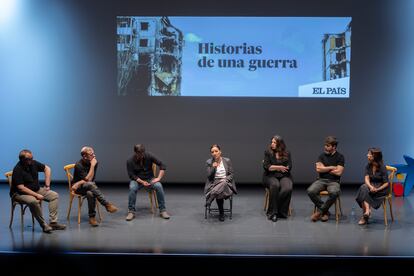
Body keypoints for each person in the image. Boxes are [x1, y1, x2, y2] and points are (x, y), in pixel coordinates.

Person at [9, 149, 66, 233]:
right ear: (22, 160)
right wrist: (36, 195)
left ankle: (53, 223)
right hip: (19, 194)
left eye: (32, 158)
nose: (32, 160)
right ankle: (44, 225)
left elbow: (47, 168)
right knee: (33, 201)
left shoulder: (33, 163)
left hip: (36, 189)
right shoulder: (17, 169)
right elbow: (21, 188)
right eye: (29, 159)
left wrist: (47, 185)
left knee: (54, 195)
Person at [71, 146, 119, 227]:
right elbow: (87, 179)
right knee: (90, 185)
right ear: (84, 156)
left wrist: (79, 182)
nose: (94, 156)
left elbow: (91, 179)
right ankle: (107, 204)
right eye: (91, 154)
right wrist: (92, 166)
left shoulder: (94, 162)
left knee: (90, 193)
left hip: (88, 185)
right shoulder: (78, 165)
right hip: (78, 189)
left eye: (93, 153)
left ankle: (92, 217)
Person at [126, 144, 170, 221]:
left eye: (143, 153)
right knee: (132, 188)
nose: (142, 156)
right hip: (137, 180)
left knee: (159, 186)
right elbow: (132, 175)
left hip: (150, 179)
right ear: (135, 153)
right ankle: (131, 211)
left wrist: (158, 178)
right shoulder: (130, 161)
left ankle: (163, 210)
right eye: (139, 154)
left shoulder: (149, 155)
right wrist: (142, 182)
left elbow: (162, 165)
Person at [307, 136, 345, 222]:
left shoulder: (340, 157)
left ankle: (320, 211)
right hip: (321, 180)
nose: (325, 147)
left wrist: (324, 168)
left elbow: (339, 172)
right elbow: (318, 169)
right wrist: (332, 167)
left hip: (334, 181)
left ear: (334, 147)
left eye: (328, 145)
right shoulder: (321, 156)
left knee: (334, 192)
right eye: (325, 145)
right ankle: (325, 211)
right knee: (310, 191)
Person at [262, 135, 293, 222]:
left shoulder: (287, 152)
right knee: (275, 185)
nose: (272, 144)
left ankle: (279, 211)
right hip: (270, 176)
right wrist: (279, 167)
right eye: (271, 142)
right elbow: (266, 167)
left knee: (288, 188)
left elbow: (289, 167)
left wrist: (274, 167)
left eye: (274, 142)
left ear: (280, 144)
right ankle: (273, 213)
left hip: (284, 176)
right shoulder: (268, 152)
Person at [355, 148, 389, 225]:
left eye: (369, 154)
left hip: (381, 188)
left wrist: (377, 189)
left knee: (363, 191)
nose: (367, 155)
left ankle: (365, 216)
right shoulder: (368, 166)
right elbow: (366, 178)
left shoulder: (382, 167)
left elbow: (386, 183)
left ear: (374, 156)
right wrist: (370, 187)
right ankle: (367, 211)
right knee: (364, 187)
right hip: (372, 186)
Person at [205, 144, 237, 222]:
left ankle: (211, 197)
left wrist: (226, 179)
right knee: (220, 191)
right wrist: (213, 167)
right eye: (212, 152)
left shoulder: (227, 160)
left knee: (224, 183)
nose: (214, 153)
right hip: (214, 184)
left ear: (220, 152)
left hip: (226, 183)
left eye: (216, 151)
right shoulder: (209, 162)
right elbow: (209, 177)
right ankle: (221, 213)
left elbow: (231, 174)